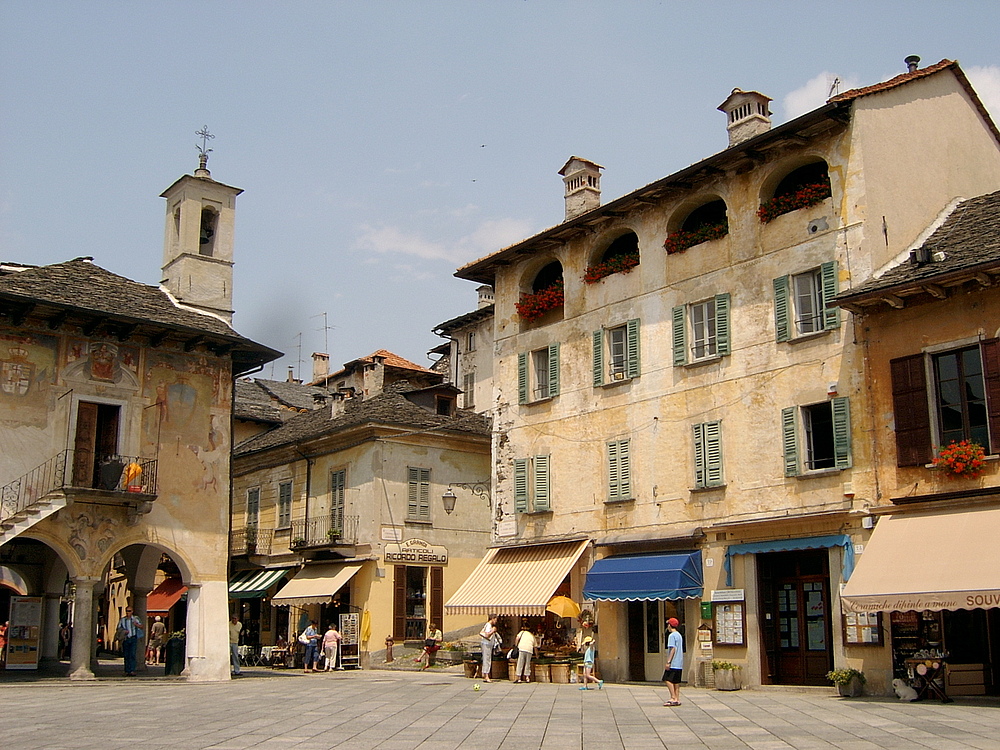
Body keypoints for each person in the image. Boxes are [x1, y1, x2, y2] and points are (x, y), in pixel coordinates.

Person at [663, 617, 684, 706]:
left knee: (667, 679)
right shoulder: (679, 635)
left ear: (670, 625)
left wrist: (668, 661)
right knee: (676, 681)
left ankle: (673, 697)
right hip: (679, 662)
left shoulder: (672, 636)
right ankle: (677, 698)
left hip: (674, 662)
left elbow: (673, 649)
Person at [117, 607, 143, 677]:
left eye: (129, 611)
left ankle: (132, 670)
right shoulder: (123, 620)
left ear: (132, 611)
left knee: (132, 654)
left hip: (133, 638)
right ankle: (127, 670)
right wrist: (123, 631)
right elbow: (119, 628)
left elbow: (141, 626)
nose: (128, 612)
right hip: (126, 638)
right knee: (126, 655)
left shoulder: (135, 619)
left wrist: (136, 625)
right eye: (127, 611)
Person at [479, 614, 499, 682]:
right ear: (492, 619)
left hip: (487, 644)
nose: (496, 621)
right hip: (487, 644)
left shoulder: (487, 625)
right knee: (487, 659)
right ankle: (486, 676)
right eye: (495, 619)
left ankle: (485, 675)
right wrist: (493, 631)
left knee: (486, 659)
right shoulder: (489, 626)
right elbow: (487, 635)